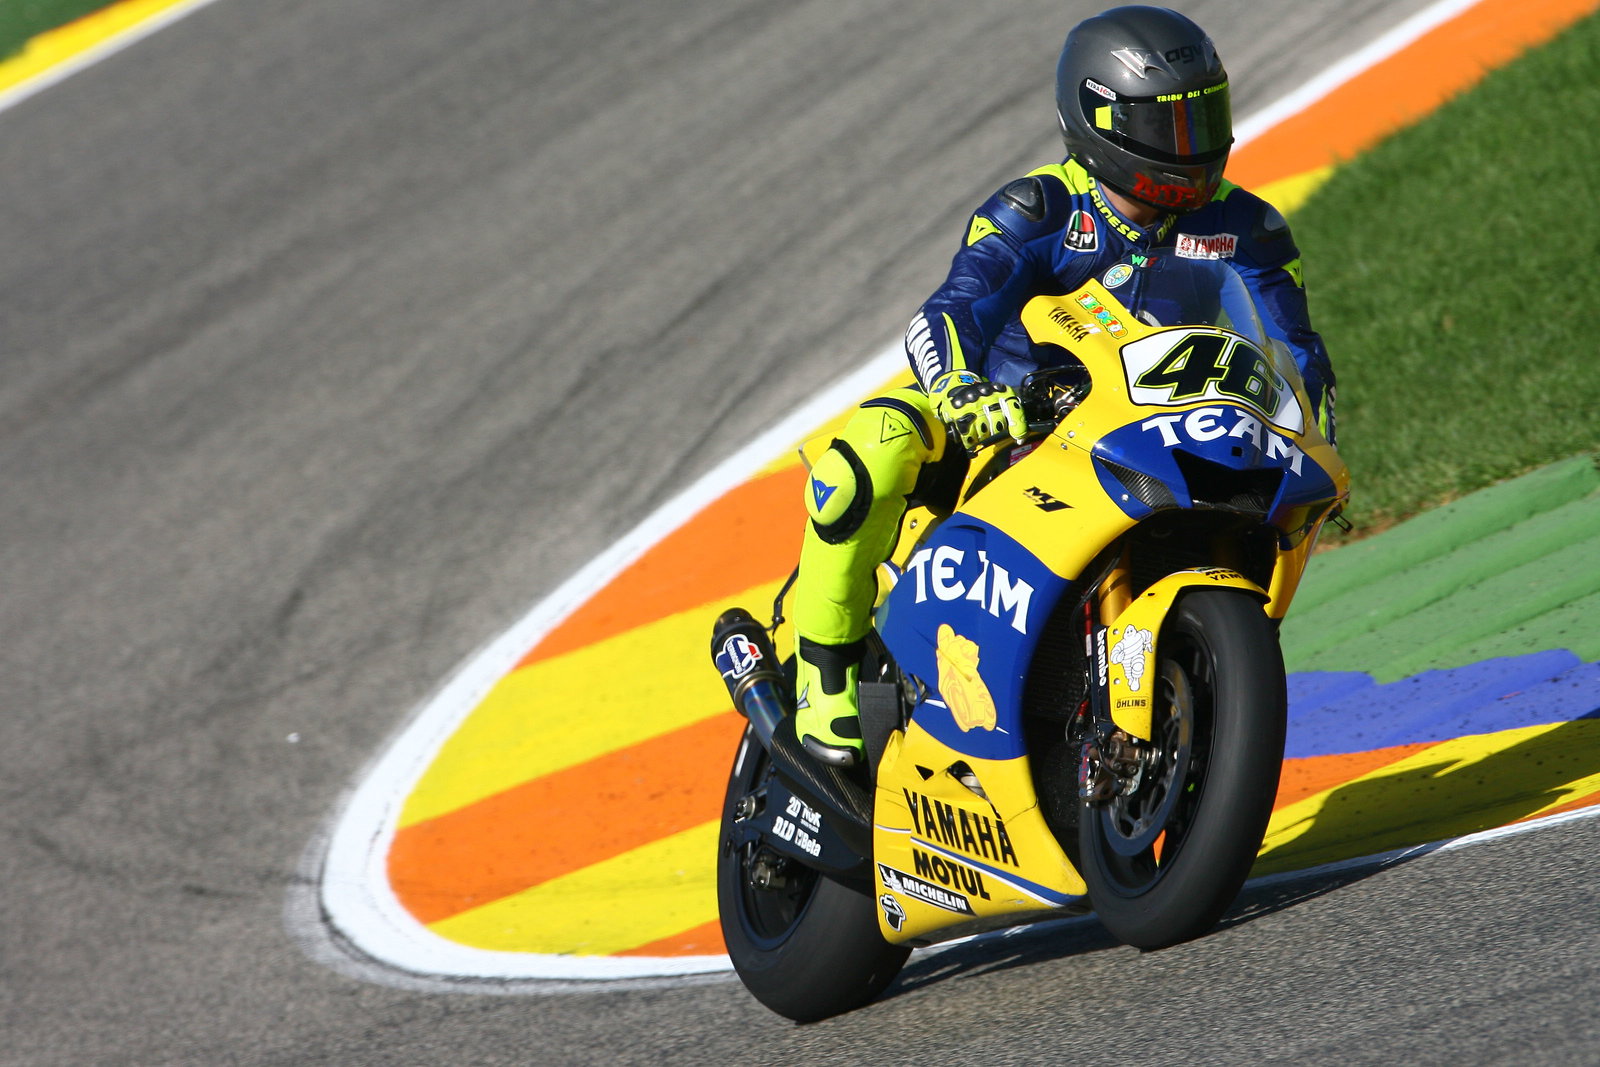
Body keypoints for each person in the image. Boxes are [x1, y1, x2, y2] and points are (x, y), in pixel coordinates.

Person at [790, 5, 1337, 766]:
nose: (1195, 146)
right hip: (1009, 422)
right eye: (1168, 127)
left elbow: (1300, 358)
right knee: (874, 447)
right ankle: (826, 684)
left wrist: (1315, 441)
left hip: (1159, 436)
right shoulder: (1039, 210)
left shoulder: (1252, 230)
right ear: (1099, 120)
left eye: (1205, 116)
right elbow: (946, 312)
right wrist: (960, 390)